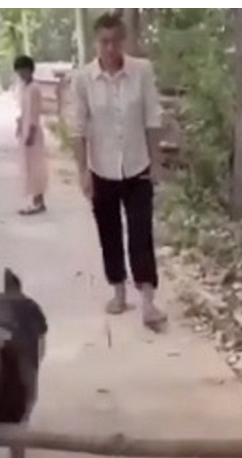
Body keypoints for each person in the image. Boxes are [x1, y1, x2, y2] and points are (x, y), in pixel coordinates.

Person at [69, 12, 167, 331]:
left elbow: (153, 118)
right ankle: (118, 291)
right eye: (104, 42)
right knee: (109, 233)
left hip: (137, 166)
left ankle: (149, 300)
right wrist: (83, 171)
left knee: (141, 233)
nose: (110, 48)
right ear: (97, 43)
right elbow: (78, 128)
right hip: (102, 168)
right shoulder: (84, 79)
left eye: (115, 41)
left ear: (123, 41)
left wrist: (156, 162)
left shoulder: (142, 71)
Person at [13, 55, 48, 215]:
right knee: (27, 166)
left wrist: (31, 133)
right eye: (19, 70)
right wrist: (20, 126)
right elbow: (23, 111)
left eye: (24, 70)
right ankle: (35, 199)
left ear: (30, 70)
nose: (21, 73)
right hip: (25, 129)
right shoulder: (24, 88)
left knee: (36, 166)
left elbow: (35, 112)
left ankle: (39, 201)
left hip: (33, 132)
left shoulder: (34, 88)